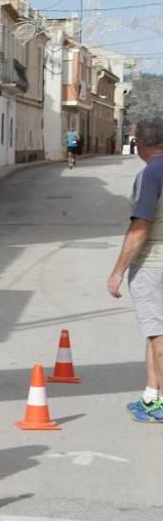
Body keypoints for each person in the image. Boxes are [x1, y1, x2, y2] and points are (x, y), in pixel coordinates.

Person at [107, 118, 163, 422]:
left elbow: (140, 227)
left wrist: (118, 271)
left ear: (140, 145)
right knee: (153, 332)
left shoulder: (150, 173)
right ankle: (151, 398)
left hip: (154, 265)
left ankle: (161, 404)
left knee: (158, 335)